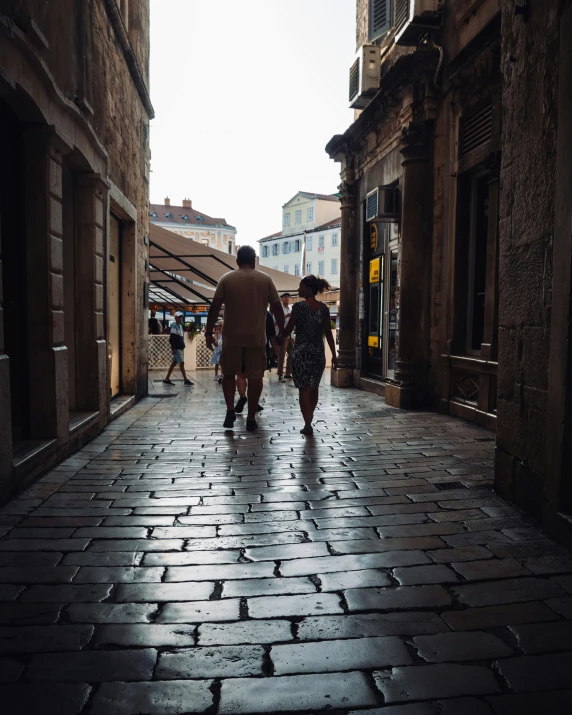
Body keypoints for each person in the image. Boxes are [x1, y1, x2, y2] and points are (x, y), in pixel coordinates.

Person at [205, 245, 284, 431]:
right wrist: (282, 332)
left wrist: (209, 332)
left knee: (229, 375)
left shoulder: (226, 279)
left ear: (238, 261)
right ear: (255, 260)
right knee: (256, 378)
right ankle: (250, 418)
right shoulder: (266, 280)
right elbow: (277, 307)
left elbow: (215, 307)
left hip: (232, 338)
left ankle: (230, 410)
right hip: (256, 338)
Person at [280, 275, 337, 435]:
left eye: (301, 286)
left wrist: (278, 339)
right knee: (313, 387)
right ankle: (309, 418)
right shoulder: (324, 309)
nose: (298, 290)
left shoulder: (298, 308)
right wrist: (334, 354)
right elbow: (328, 333)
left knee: (303, 389)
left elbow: (289, 329)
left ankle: (307, 422)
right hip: (318, 353)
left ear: (309, 289)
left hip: (301, 353)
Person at [163, 311, 193, 386]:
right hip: (176, 348)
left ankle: (166, 379)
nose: (180, 318)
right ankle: (185, 380)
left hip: (179, 347)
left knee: (173, 363)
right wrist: (174, 347)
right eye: (179, 317)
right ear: (175, 318)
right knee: (182, 363)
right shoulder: (174, 325)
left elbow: (179, 337)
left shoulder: (180, 326)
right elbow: (172, 337)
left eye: (181, 317)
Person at [276, 292, 294, 382]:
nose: (287, 299)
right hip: (282, 335)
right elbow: (275, 323)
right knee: (282, 356)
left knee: (291, 354)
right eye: (285, 297)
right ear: (282, 299)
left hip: (291, 335)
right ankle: (280, 374)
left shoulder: (291, 309)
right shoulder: (280, 310)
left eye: (288, 297)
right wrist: (286, 316)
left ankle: (288, 373)